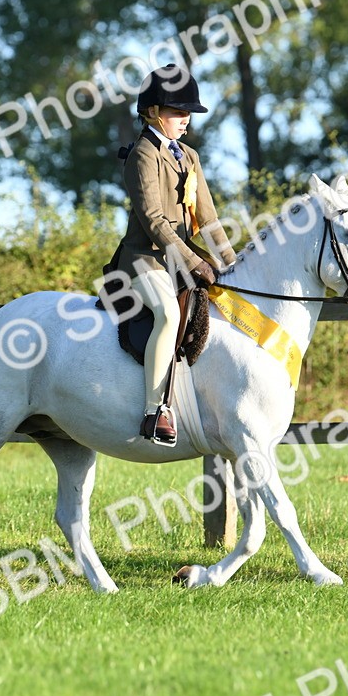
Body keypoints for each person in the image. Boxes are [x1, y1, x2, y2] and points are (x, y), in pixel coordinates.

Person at [111, 64, 238, 445]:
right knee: (168, 313)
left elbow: (209, 218)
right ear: (152, 112)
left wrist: (230, 261)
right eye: (177, 112)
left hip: (181, 260)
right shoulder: (142, 155)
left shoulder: (190, 156)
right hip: (144, 260)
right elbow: (154, 222)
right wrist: (196, 261)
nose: (185, 120)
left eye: (188, 114)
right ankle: (154, 411)